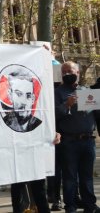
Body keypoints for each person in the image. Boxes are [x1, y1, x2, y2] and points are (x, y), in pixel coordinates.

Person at [55, 61, 98, 213]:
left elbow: (95, 115)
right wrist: (66, 104)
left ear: (78, 72)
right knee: (70, 177)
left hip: (88, 140)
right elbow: (53, 116)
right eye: (64, 71)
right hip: (69, 142)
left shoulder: (86, 91)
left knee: (87, 177)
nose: (67, 74)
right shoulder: (57, 92)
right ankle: (70, 206)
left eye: (70, 71)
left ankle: (90, 205)